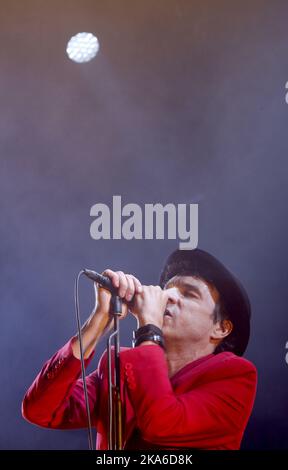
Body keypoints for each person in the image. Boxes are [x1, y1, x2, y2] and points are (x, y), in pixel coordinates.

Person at [22, 248, 257, 450]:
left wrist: (149, 328)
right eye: (168, 288)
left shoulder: (236, 376)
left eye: (189, 293)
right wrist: (98, 322)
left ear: (221, 328)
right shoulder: (118, 366)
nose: (168, 296)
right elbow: (40, 410)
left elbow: (162, 424)